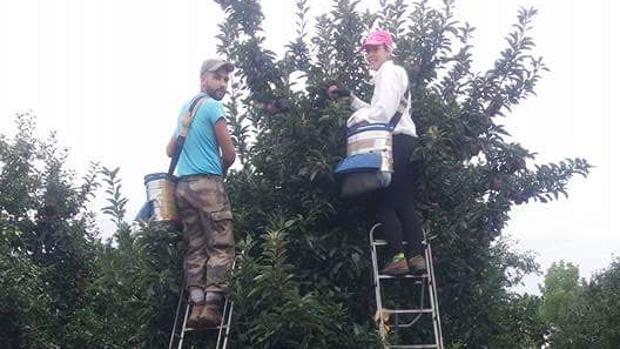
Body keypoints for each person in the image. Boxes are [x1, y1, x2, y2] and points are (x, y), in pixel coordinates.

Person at [328, 30, 425, 276]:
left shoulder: (388, 73)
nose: (371, 54)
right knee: (404, 202)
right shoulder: (393, 73)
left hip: (394, 143)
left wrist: (355, 118)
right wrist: (352, 99)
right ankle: (415, 256)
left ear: (388, 49)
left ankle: (398, 257)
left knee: (384, 203)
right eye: (368, 50)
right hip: (405, 143)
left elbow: (381, 113)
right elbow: (379, 108)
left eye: (376, 49)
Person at [166, 58, 236, 328]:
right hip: (208, 184)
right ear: (203, 79)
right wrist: (220, 167)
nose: (223, 84)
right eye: (217, 78)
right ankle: (211, 305)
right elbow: (229, 153)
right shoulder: (212, 106)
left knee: (195, 245)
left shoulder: (187, 109)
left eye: (226, 80)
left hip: (183, 188)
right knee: (220, 242)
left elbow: (170, 150)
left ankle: (195, 306)